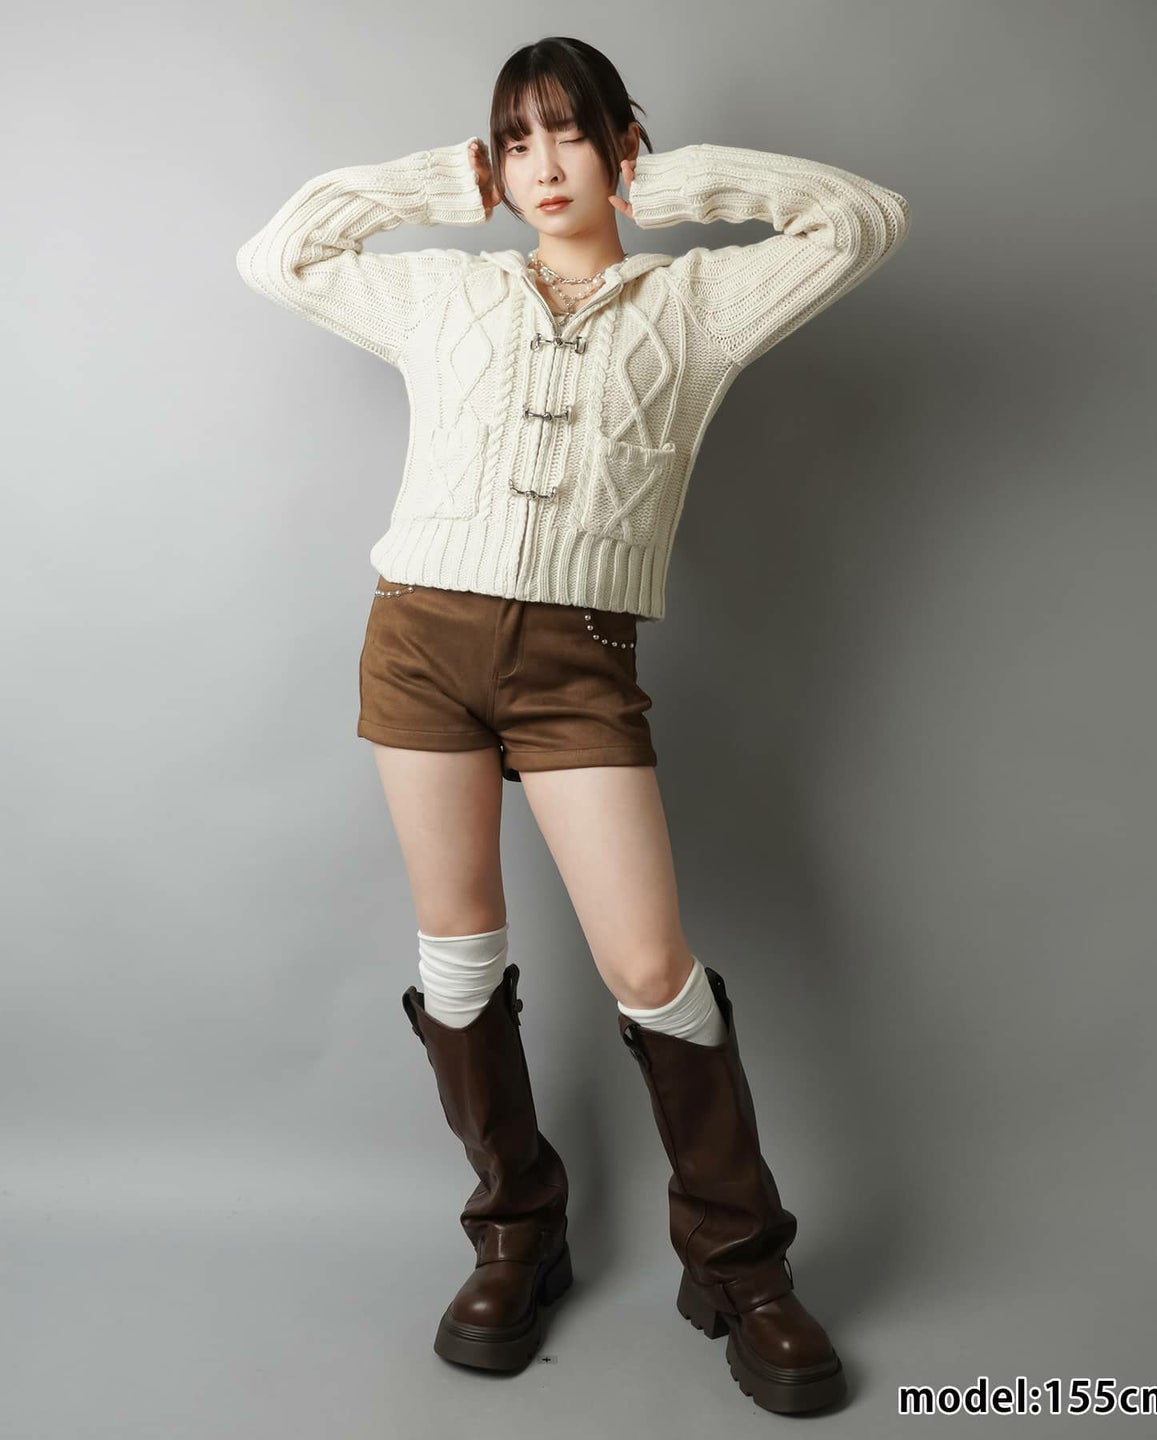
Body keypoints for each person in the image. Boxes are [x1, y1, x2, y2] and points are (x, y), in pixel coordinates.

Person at [235, 34, 910, 1416]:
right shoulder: (443, 293)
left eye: (570, 133)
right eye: (516, 140)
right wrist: (443, 182)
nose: (543, 165)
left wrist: (683, 186)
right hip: (419, 642)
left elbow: (862, 220)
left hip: (577, 665)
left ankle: (739, 1265)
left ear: (620, 147)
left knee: (651, 964)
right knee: (460, 954)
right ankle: (516, 1233)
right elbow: (278, 255)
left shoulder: (699, 306)